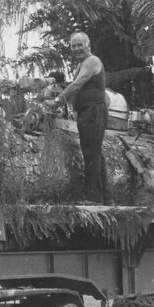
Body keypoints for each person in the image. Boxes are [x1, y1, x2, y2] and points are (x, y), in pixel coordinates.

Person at [51, 32, 108, 205]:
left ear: (88, 44)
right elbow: (73, 87)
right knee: (94, 152)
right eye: (73, 46)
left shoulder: (92, 61)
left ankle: (93, 197)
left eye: (79, 45)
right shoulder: (82, 64)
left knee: (91, 152)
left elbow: (76, 85)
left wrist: (55, 101)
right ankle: (105, 195)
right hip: (86, 112)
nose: (76, 49)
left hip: (93, 111)